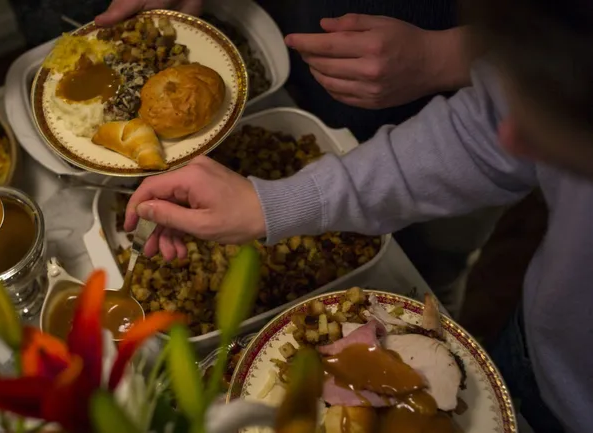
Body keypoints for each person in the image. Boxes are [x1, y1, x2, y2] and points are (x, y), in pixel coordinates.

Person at [116, 0, 593, 431]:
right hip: (536, 349)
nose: (513, 141)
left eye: (570, 119)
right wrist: (270, 205)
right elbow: (483, 132)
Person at [95, 0, 504, 318]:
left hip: (458, 98)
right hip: (309, 47)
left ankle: (443, 290)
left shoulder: (529, 108)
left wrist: (448, 55)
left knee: (429, 262)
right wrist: (273, 204)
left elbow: (496, 124)